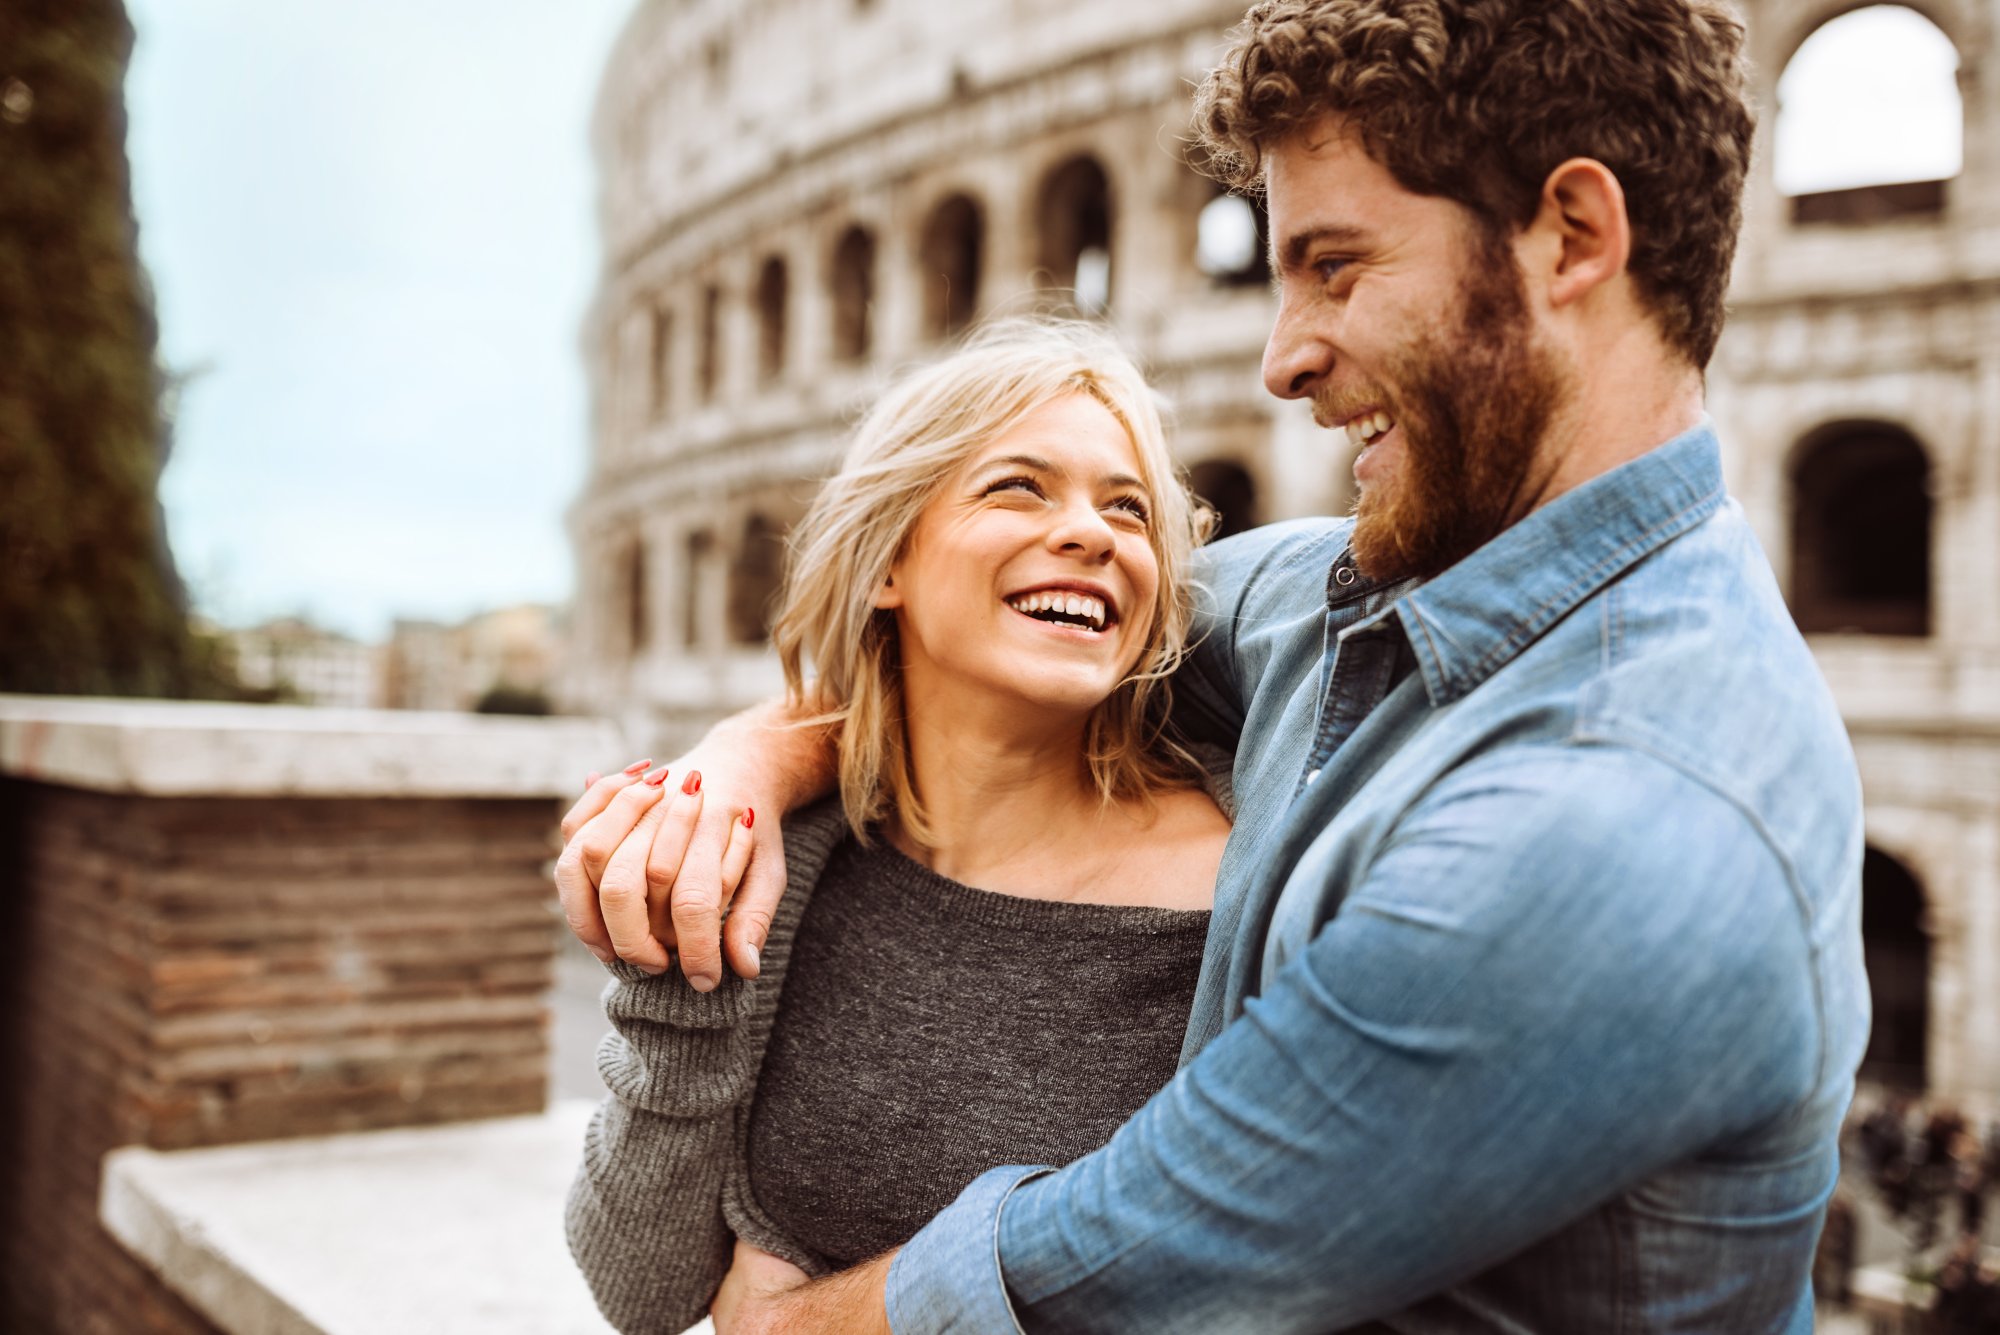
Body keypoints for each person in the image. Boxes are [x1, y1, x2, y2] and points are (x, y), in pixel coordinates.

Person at [563, 1, 1870, 1330]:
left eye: (1337, 266)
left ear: (1573, 238)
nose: (1284, 354)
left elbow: (1120, 1264)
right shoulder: (1370, 585)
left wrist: (773, 1323)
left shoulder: (1630, 807)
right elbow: (1000, 633)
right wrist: (752, 762)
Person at [558, 320, 1234, 1333]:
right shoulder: (796, 857)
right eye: (1019, 487)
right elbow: (641, 1292)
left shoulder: (1247, 881)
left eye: (1127, 508)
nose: (1092, 533)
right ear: (888, 564)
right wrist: (670, 964)